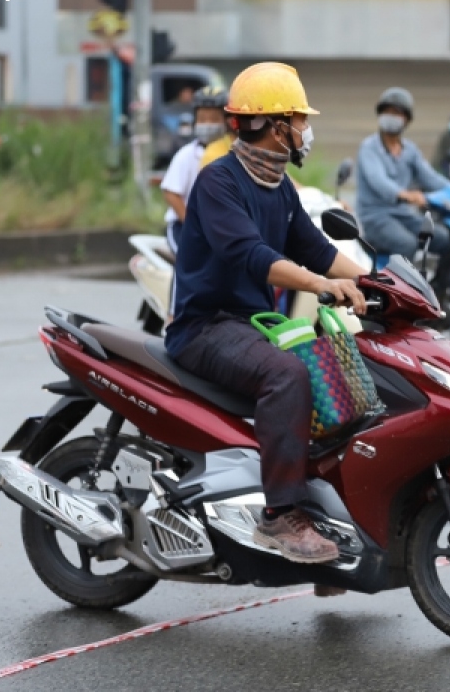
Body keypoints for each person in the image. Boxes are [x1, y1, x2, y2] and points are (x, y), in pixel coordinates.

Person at [165, 62, 368, 565]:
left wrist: (379, 283)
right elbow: (252, 256)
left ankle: (331, 517)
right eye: (300, 121)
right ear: (276, 126)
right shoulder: (219, 184)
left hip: (252, 326)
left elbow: (317, 249)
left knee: (335, 373)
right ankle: (280, 516)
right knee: (289, 375)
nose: (305, 131)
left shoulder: (280, 189)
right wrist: (323, 286)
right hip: (205, 327)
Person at [356, 87, 450, 258]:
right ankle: (395, 285)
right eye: (387, 112)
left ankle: (437, 284)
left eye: (397, 112)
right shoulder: (369, 147)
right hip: (375, 218)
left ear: (407, 119)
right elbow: (378, 180)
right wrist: (406, 195)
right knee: (406, 244)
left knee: (443, 238)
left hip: (403, 215)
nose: (391, 116)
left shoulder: (410, 150)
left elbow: (430, 178)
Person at [160, 85, 233, 253]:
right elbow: (171, 193)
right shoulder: (187, 155)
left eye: (214, 119)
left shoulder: (233, 152)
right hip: (184, 228)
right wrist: (192, 224)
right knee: (189, 263)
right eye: (202, 119)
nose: (207, 124)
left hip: (217, 231)